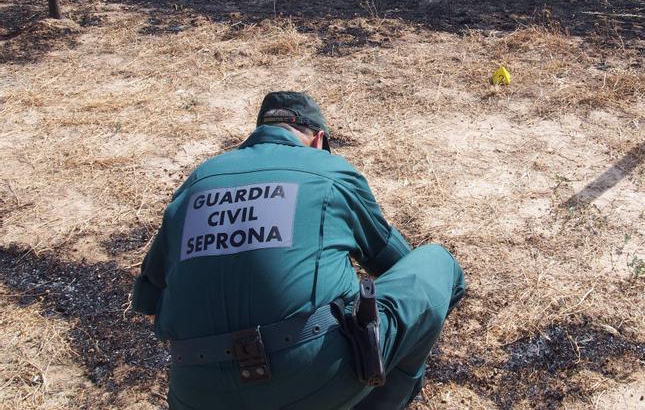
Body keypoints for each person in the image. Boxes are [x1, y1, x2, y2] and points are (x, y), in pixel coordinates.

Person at [131, 91, 466, 410]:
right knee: (438, 264)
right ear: (318, 140)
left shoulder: (198, 181)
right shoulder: (328, 170)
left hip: (195, 394)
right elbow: (395, 261)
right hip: (313, 376)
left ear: (260, 132)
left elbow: (146, 298)